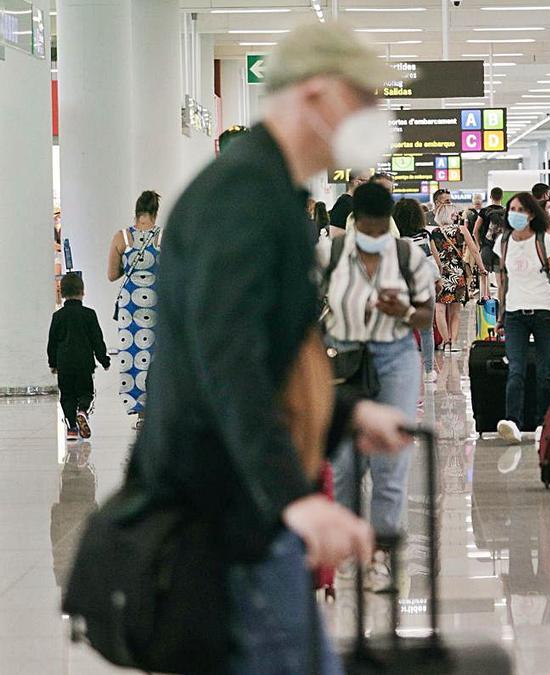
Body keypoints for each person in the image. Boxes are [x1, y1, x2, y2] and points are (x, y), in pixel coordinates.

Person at [128, 22, 411, 673]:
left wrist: (345, 415)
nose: (372, 117)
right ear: (317, 95)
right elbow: (226, 363)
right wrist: (296, 495)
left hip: (250, 506)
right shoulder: (241, 196)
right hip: (231, 518)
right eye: (363, 99)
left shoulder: (270, 190)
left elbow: (270, 355)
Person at [319, 182, 435, 592]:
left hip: (396, 356)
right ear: (355, 222)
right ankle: (350, 548)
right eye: (366, 227)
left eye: (379, 226)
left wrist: (403, 310)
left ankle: (381, 554)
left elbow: (426, 315)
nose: (373, 235)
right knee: (345, 461)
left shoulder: (408, 256)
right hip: (342, 359)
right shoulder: (330, 255)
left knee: (391, 456)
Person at [493, 192, 550, 444]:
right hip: (515, 313)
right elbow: (502, 280)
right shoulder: (503, 242)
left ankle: (542, 422)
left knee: (544, 370)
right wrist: (501, 315)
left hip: (544, 311)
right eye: (511, 209)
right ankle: (512, 422)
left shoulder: (543, 240)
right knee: (515, 368)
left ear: (530, 214)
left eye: (520, 209)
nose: (514, 213)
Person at [106, 189, 163, 428]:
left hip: (130, 308)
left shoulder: (122, 238)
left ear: (136, 212)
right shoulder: (162, 237)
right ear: (155, 213)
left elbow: (111, 275)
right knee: (155, 356)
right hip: (156, 304)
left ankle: (140, 412)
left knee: (133, 357)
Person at [47, 272, 110, 442]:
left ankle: (72, 429)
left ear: (62, 293)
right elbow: (97, 339)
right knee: (85, 391)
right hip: (84, 362)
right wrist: (104, 359)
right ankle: (82, 411)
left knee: (67, 395)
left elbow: (52, 342)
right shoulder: (89, 314)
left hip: (64, 363)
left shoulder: (57, 316)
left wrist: (53, 363)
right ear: (83, 291)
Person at [395, 198, 443, 383]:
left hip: (403, 286)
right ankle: (429, 371)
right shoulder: (424, 235)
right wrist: (438, 280)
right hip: (425, 285)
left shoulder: (395, 238)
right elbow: (433, 260)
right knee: (426, 331)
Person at [432, 201, 485, 351]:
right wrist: (482, 268)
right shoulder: (461, 230)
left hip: (440, 274)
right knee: (455, 311)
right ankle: (453, 343)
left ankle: (445, 341)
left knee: (440, 310)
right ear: (451, 215)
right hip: (457, 274)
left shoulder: (434, 232)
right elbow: (474, 250)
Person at [474, 187, 508, 272]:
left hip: (486, 246)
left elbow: (475, 230)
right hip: (501, 246)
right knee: (499, 273)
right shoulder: (506, 212)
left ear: (490, 197)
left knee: (484, 274)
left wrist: (479, 245)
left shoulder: (484, 211)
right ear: (502, 197)